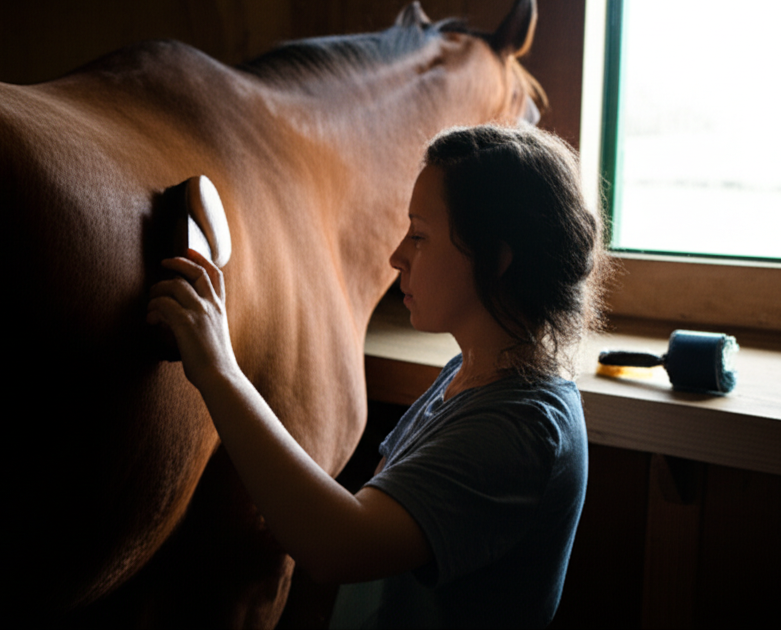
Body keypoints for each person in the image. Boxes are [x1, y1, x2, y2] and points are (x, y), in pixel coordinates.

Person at [146, 124, 608, 628]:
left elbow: (338, 548)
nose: (397, 256)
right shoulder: (473, 372)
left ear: (496, 259)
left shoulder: (518, 430)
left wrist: (218, 367)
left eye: (419, 235)